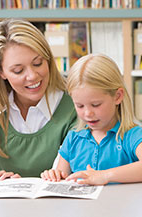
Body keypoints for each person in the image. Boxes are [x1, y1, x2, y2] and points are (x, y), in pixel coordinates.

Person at [0, 19, 77, 179]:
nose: (32, 76)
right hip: (5, 201)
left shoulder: (75, 103)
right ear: (0, 72)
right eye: (18, 70)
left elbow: (69, 175)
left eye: (38, 63)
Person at [41, 53, 142, 185]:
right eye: (80, 106)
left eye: (96, 105)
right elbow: (61, 179)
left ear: (117, 96)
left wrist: (105, 176)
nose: (88, 113)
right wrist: (54, 175)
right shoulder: (73, 138)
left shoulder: (131, 135)